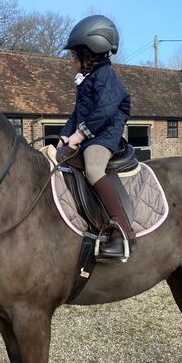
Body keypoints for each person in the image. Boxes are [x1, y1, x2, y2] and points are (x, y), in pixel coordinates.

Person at [59, 15, 136, 259]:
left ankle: (123, 229)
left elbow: (104, 110)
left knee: (93, 169)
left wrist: (80, 135)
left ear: (90, 55)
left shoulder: (106, 77)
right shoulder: (87, 80)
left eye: (74, 56)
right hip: (90, 133)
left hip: (105, 136)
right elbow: (77, 113)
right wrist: (64, 135)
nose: (72, 61)